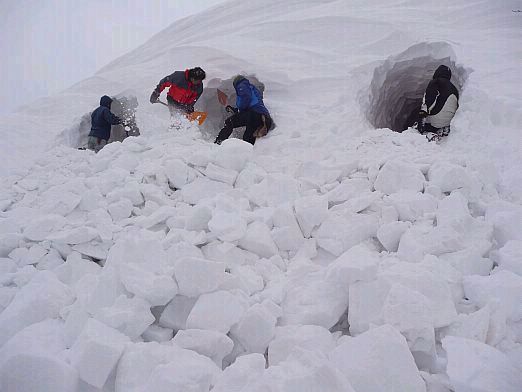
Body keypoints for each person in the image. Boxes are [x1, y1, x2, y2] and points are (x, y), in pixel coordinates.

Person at [215, 75, 272, 145]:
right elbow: (248, 106)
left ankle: (219, 142)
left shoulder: (242, 84)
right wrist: (235, 110)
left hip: (253, 114)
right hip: (260, 117)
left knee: (229, 122)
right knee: (248, 138)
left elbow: (246, 98)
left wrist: (239, 110)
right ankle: (248, 153)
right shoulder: (252, 88)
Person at [418, 65, 459, 141]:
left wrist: (421, 121)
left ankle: (428, 133)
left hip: (435, 120)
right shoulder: (454, 89)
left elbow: (429, 101)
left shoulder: (436, 82)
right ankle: (442, 129)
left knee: (418, 126)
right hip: (448, 121)